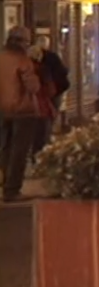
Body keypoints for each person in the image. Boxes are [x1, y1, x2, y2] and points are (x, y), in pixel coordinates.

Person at [0, 26, 42, 202]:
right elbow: (33, 87)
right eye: (27, 41)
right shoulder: (23, 60)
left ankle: (5, 183)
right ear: (22, 42)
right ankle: (12, 189)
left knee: (5, 148)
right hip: (23, 111)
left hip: (2, 110)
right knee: (19, 151)